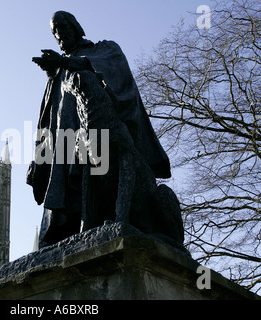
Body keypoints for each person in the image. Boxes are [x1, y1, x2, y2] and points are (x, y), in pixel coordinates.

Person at [28, 11, 171, 248]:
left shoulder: (103, 50)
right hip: (64, 144)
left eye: (61, 28)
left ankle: (99, 221)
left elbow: (113, 73)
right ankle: (70, 229)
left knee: (96, 174)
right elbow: (46, 119)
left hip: (97, 136)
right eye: (54, 32)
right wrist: (39, 157)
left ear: (75, 27)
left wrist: (65, 63)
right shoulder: (57, 72)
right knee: (67, 192)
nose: (58, 35)